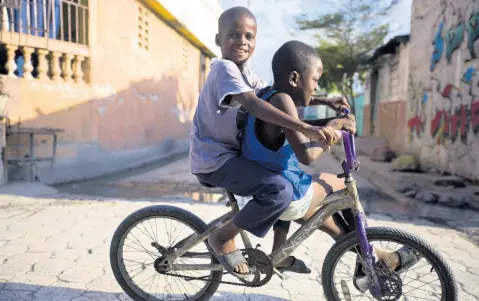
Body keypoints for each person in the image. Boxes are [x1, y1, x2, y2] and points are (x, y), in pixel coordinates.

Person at [241, 40, 421, 291]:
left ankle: (367, 258)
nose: (316, 87)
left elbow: (300, 124)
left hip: (271, 186)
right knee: (337, 182)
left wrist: (330, 112)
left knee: (333, 225)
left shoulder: (268, 96)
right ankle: (371, 259)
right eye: (315, 80)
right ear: (295, 78)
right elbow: (306, 156)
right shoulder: (282, 102)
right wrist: (335, 128)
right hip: (282, 193)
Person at [189, 6, 349, 278]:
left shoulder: (245, 73)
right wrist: (306, 127)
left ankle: (279, 251)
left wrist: (324, 101)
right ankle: (223, 237)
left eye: (249, 37)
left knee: (280, 179)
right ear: (218, 41)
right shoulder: (223, 69)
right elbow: (254, 104)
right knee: (278, 191)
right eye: (233, 35)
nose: (242, 42)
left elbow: (274, 94)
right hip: (214, 160)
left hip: (231, 157)